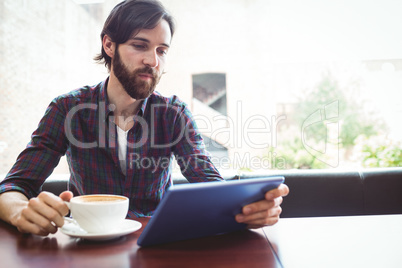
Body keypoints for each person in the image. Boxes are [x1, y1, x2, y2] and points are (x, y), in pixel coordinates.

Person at [0, 0, 289, 236]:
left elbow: (207, 181)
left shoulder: (174, 113)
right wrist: (19, 210)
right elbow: (13, 186)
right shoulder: (67, 108)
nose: (153, 61)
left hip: (155, 244)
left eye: (162, 51)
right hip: (87, 244)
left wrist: (247, 210)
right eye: (140, 45)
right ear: (109, 46)